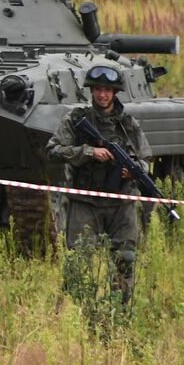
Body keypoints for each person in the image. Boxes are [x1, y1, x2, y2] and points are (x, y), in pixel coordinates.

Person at [46, 65, 152, 305]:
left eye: (107, 90)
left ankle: (119, 313)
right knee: (78, 261)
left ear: (115, 93)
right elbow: (53, 150)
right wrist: (89, 152)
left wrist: (135, 170)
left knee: (125, 258)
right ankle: (74, 314)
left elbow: (146, 159)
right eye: (98, 90)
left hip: (121, 204)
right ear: (91, 91)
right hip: (85, 201)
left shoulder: (128, 124)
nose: (102, 95)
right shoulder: (76, 120)